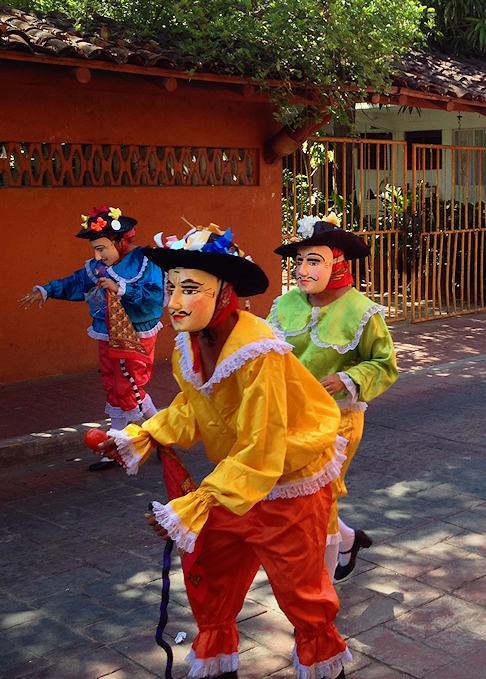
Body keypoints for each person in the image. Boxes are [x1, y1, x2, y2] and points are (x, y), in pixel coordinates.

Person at [96, 224, 351, 679]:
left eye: (190, 289)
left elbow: (264, 444)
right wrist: (146, 435)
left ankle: (325, 668)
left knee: (301, 592)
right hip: (238, 480)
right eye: (171, 288)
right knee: (211, 573)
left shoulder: (258, 354)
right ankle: (219, 665)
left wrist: (197, 502)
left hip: (287, 483)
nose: (173, 302)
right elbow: (196, 409)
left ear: (224, 294)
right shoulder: (188, 346)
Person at [269, 213, 398, 582]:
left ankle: (319, 592)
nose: (302, 271)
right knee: (301, 496)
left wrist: (347, 378)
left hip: (337, 420)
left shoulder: (361, 311)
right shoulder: (285, 305)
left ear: (337, 264)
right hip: (290, 416)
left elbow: (385, 364)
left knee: (319, 499)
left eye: (314, 261)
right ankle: (347, 541)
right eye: (299, 262)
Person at [18, 206, 164, 471]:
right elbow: (75, 283)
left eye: (101, 248)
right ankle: (124, 446)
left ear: (120, 241)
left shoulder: (144, 263)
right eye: (95, 249)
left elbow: (154, 297)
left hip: (136, 333)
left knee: (129, 387)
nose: (97, 255)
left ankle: (149, 440)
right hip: (106, 331)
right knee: (114, 386)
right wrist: (46, 291)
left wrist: (121, 288)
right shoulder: (97, 268)